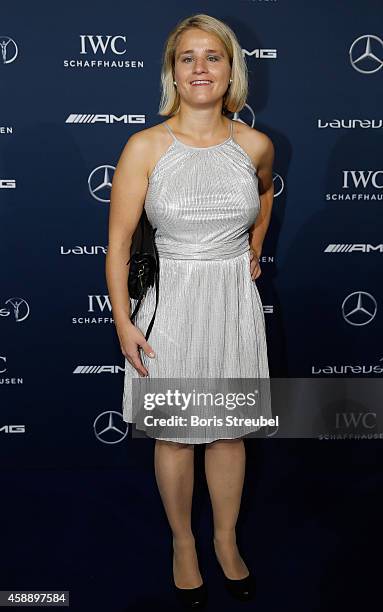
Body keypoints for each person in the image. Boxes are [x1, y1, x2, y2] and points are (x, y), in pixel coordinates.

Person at [105, 13, 274, 609]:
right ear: (173, 73)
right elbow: (120, 244)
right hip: (170, 303)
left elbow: (263, 192)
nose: (200, 68)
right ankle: (184, 544)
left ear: (232, 71)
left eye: (213, 57)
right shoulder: (145, 146)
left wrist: (249, 253)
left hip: (231, 304)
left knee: (229, 434)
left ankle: (226, 542)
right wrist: (125, 322)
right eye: (187, 58)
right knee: (175, 437)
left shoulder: (254, 144)